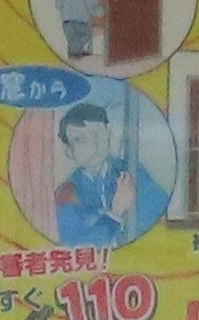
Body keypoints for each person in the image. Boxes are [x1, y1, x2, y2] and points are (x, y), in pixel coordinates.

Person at [51, 97, 152, 250]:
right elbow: (76, 246)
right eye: (80, 139)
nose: (94, 144)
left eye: (97, 134)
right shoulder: (67, 192)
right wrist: (115, 212)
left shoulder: (132, 171)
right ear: (69, 151)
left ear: (108, 135)